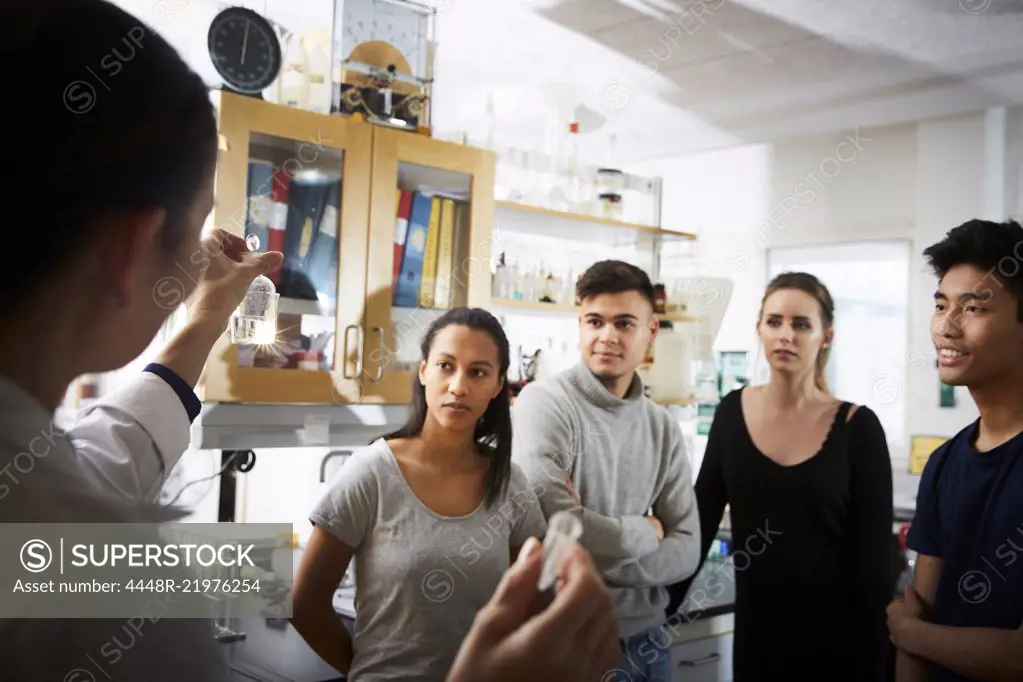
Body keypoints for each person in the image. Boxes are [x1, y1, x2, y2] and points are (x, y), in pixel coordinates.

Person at [1, 3, 623, 681]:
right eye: (195, 224)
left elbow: (110, 454)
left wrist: (211, 314)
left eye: (479, 372)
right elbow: (108, 522)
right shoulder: (104, 583)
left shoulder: (53, 533)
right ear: (129, 251)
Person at [294, 307, 570, 680]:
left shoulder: (510, 485)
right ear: (423, 371)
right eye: (446, 365)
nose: (459, 386)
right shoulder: (372, 472)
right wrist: (366, 671)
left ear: (496, 385)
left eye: (478, 372)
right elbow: (303, 604)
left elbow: (537, 602)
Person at [666, 271, 895, 682]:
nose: (785, 335)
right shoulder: (731, 414)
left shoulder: (857, 428)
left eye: (801, 324)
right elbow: (696, 528)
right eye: (774, 322)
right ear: (759, 329)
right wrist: (656, 611)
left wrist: (871, 666)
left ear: (827, 336)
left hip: (839, 648)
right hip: (758, 642)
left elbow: (875, 571)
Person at [510, 259, 702, 681]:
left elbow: (688, 547)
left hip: (650, 642)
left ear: (651, 332)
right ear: (580, 324)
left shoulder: (661, 427)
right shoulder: (544, 404)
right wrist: (644, 532)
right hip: (568, 641)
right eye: (594, 321)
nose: (607, 337)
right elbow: (556, 526)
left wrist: (591, 559)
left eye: (624, 324)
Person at [889, 219, 1023, 682]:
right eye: (941, 305)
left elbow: (1017, 657)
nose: (946, 326)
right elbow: (918, 606)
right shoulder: (945, 463)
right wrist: (912, 634)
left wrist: (909, 634)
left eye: (973, 308)